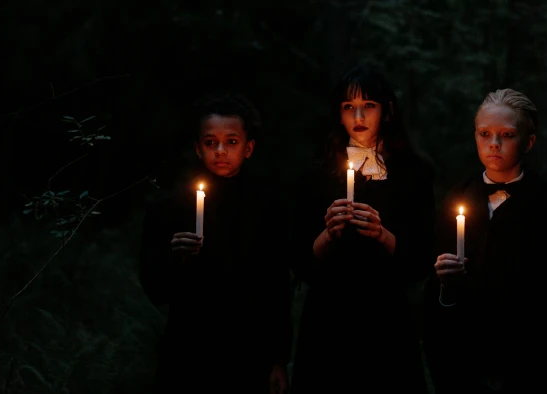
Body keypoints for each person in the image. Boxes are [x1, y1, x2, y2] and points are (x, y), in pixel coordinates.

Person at [423, 88, 547, 393]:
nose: (494, 144)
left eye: (507, 135)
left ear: (528, 142)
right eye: (485, 133)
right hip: (469, 356)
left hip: (533, 361)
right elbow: (439, 299)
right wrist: (446, 286)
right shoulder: (458, 197)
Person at [289, 65, 433, 394]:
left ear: (387, 111)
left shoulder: (414, 174)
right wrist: (327, 235)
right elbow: (298, 260)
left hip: (386, 320)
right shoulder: (316, 175)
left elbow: (421, 259)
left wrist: (384, 236)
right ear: (338, 115)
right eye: (348, 107)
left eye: (368, 105)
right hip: (328, 319)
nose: (358, 115)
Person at [139, 92, 291, 394]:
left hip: (248, 353)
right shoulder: (169, 207)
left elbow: (277, 288)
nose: (220, 150)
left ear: (249, 148)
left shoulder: (266, 205)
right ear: (198, 148)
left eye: (231, 141)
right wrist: (175, 260)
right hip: (188, 351)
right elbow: (154, 287)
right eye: (211, 142)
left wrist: (278, 360)